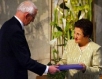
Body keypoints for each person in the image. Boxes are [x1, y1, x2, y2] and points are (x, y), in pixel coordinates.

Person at [0, 1, 59, 79]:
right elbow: (24, 60)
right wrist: (47, 69)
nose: (33, 21)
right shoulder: (15, 30)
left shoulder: (7, 25)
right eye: (33, 17)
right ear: (27, 15)